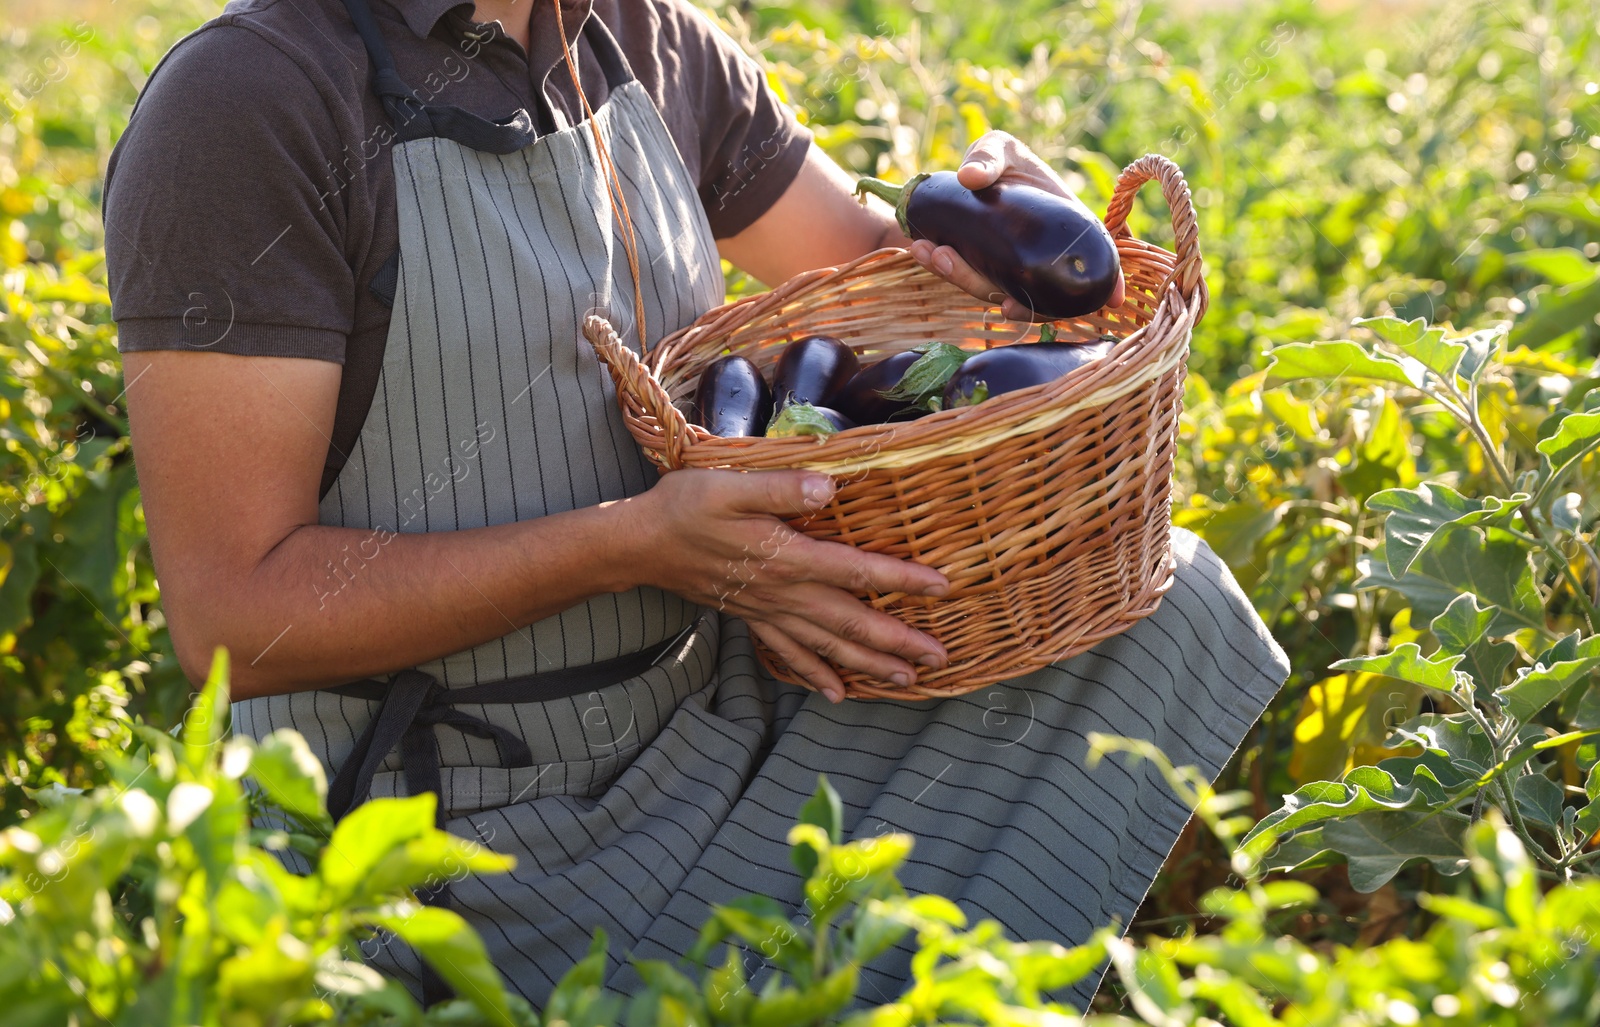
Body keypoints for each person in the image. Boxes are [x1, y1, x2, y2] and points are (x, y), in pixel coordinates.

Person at [104, 0, 1288, 1009]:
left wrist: (998, 232)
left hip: (697, 729)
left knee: (1171, 606)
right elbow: (231, 616)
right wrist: (630, 549)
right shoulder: (248, 105)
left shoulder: (641, 32)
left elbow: (873, 272)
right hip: (440, 836)